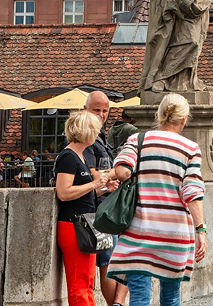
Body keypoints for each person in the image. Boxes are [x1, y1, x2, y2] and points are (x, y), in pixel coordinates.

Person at [108, 94, 207, 306]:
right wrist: (201, 229)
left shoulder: (137, 140)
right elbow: (192, 193)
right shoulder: (190, 149)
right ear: (183, 119)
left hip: (138, 232)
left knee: (139, 298)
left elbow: (122, 170)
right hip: (173, 234)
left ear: (160, 115)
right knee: (171, 299)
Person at [55, 110, 109, 306]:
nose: (97, 134)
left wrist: (101, 190)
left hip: (83, 223)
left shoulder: (79, 156)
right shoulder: (68, 157)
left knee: (87, 281)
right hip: (73, 225)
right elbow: (64, 192)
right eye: (95, 130)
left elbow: (82, 194)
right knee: (80, 283)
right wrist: (94, 185)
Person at [84, 91, 127, 306]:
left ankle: (119, 304)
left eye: (105, 111)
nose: (101, 115)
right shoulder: (86, 137)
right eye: (96, 110)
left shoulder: (100, 135)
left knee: (123, 260)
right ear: (85, 110)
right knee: (108, 263)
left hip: (111, 207)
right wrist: (116, 172)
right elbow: (94, 175)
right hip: (100, 211)